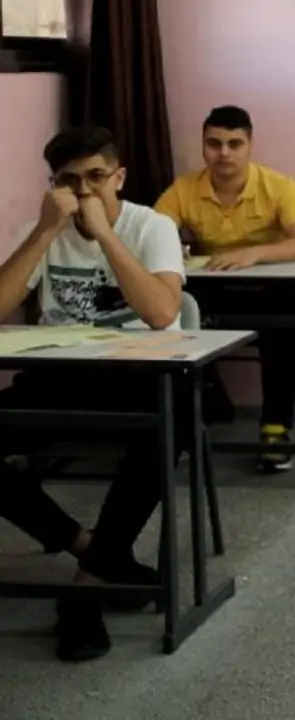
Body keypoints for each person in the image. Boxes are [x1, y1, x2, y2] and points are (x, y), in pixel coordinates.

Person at [0, 126, 189, 662]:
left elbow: (161, 313)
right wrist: (44, 232)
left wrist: (106, 235)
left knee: (167, 427)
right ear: (53, 184)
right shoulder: (40, 229)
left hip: (141, 376)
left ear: (119, 177)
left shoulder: (152, 226)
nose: (83, 192)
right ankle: (96, 552)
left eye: (96, 178)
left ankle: (84, 594)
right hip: (56, 376)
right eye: (69, 180)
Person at [155, 105, 295, 473]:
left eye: (234, 144)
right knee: (172, 312)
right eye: (214, 144)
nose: (224, 153)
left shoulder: (280, 186)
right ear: (203, 146)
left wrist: (254, 254)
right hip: (214, 289)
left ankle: (276, 429)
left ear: (250, 145)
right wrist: (173, 248)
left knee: (291, 317)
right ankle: (186, 425)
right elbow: (152, 232)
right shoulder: (184, 189)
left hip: (270, 291)